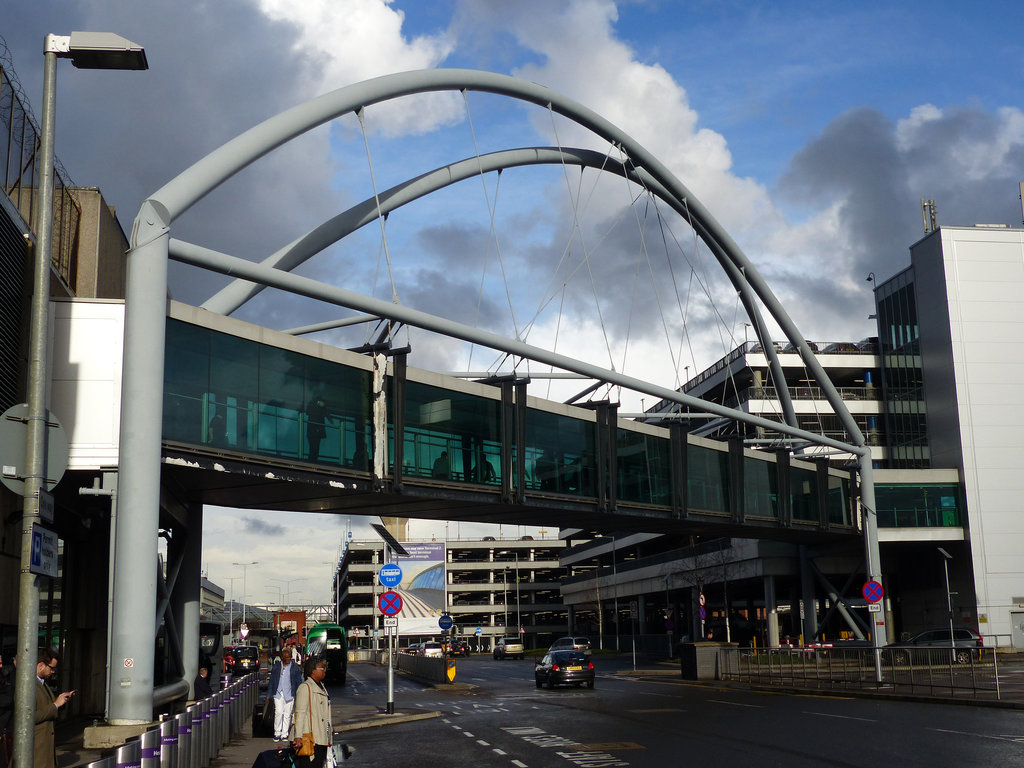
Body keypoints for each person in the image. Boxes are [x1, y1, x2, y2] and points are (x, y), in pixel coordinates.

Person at [34, 648, 74, 768]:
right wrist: (56, 704)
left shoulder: (43, 684)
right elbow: (30, 716)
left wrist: (62, 702)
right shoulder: (30, 685)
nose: (53, 672)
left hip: (45, 749)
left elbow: (49, 707)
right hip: (36, 749)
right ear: (41, 666)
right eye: (51, 668)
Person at [290, 657, 330, 768]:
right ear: (313, 670)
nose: (324, 671)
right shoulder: (305, 687)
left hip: (320, 737)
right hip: (309, 739)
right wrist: (298, 736)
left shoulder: (321, 687)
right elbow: (300, 713)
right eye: (322, 668)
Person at [267, 647, 302, 743]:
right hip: (278, 692)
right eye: (286, 657)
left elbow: (299, 682)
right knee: (278, 712)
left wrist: (299, 695)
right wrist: (268, 695)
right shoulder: (276, 667)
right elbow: (272, 681)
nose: (288, 658)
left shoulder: (295, 668)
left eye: (289, 657)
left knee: (287, 714)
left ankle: (284, 734)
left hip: (290, 693)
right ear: (282, 657)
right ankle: (277, 732)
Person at [305, 397, 329, 462]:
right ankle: (312, 460)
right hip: (315, 431)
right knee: (314, 448)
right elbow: (308, 412)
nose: (323, 404)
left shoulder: (318, 409)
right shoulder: (315, 409)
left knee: (314, 448)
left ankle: (312, 460)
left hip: (314, 432)